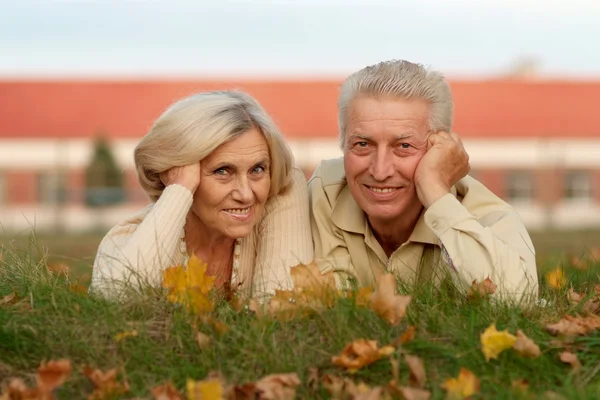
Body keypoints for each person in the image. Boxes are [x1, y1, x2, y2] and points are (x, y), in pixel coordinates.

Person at [308, 60, 538, 303]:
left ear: (439, 150)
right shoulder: (325, 192)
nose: (380, 170)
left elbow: (518, 301)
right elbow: (329, 304)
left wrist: (436, 192)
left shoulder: (489, 216)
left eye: (404, 146)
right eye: (362, 144)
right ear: (343, 145)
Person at [90, 90, 313, 299]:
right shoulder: (124, 240)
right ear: (176, 172)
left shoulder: (280, 193)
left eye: (257, 169)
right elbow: (115, 302)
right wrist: (179, 189)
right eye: (223, 171)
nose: (246, 195)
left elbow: (284, 308)